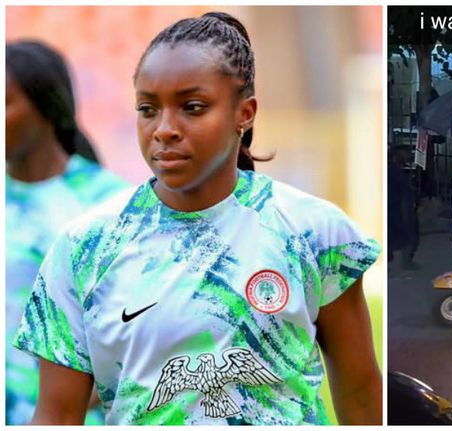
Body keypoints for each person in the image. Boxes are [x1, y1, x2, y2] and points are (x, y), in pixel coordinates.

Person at [13, 12, 381, 425]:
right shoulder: (84, 248)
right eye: (148, 109)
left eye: (192, 107)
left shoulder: (314, 231)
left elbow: (362, 393)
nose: (164, 129)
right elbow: (57, 417)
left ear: (245, 113)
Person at [5, 40, 129, 425]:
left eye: (4, 102)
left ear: (45, 105)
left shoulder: (109, 203)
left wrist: (64, 407)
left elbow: (133, 327)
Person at [387, 148, 419, 270]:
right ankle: (406, 261)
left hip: (393, 208)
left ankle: (391, 261)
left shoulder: (390, 171)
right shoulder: (397, 173)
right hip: (397, 209)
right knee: (407, 235)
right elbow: (405, 194)